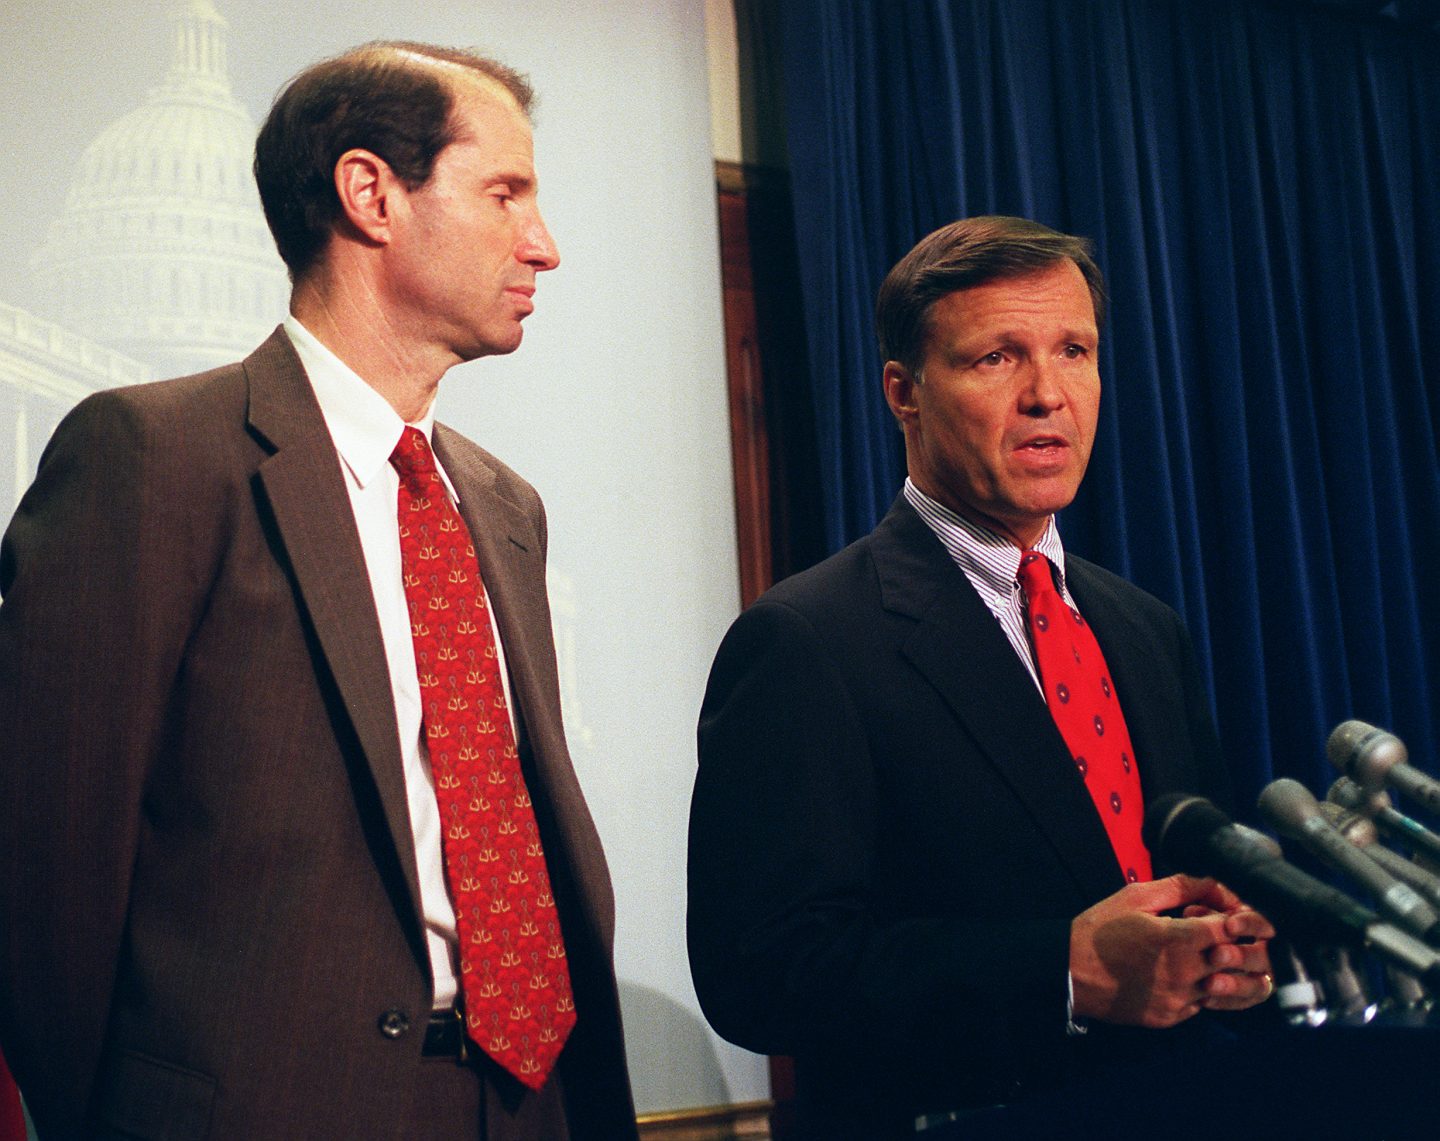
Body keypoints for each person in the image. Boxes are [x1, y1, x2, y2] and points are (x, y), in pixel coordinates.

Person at [0, 42, 636, 1140]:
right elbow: (46, 869)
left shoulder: (503, 504)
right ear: (370, 194)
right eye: (504, 194)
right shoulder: (152, 457)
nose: (545, 245)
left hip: (533, 1103)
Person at [687, 216, 1274, 1138]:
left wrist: (1227, 952)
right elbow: (762, 972)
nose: (1049, 394)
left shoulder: (1143, 626)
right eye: (998, 357)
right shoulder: (808, 639)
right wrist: (1060, 970)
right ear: (904, 393)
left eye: (1074, 350)